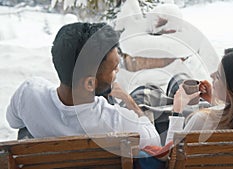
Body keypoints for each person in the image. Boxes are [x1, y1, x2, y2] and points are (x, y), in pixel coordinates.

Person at [6, 22, 161, 148]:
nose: (118, 71)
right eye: (113, 69)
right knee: (144, 94)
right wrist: (128, 100)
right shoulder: (116, 121)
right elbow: (154, 140)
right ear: (89, 83)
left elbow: (13, 122)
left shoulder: (28, 93)